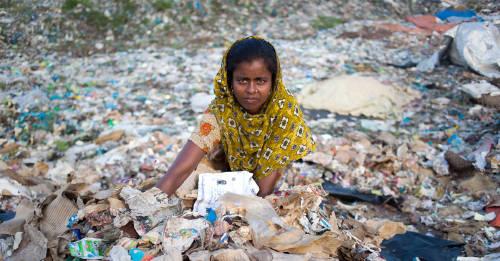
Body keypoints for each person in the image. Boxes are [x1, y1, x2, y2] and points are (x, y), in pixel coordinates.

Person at [156, 36, 315, 197]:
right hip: (228, 170)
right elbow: (179, 171)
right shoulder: (221, 110)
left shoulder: (283, 111)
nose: (251, 90)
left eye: (260, 81)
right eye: (242, 81)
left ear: (273, 81)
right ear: (230, 80)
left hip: (269, 177)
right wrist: (151, 203)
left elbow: (263, 191)